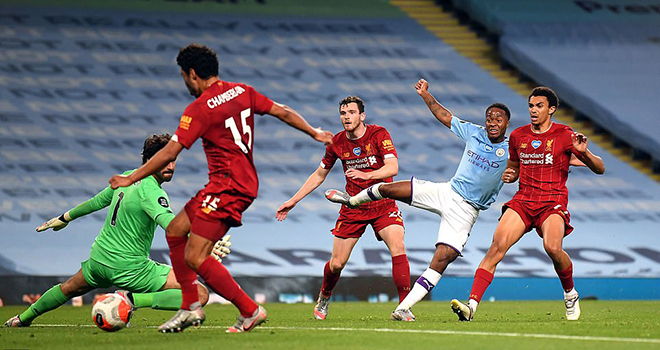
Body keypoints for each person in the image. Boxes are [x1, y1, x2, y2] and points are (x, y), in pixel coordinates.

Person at [109, 44, 333, 333]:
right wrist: (314, 132)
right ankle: (190, 306)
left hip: (229, 187)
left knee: (195, 256)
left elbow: (169, 152)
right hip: (231, 182)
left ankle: (249, 311)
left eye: (183, 77)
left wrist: (131, 178)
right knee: (175, 229)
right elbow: (283, 111)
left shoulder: (199, 108)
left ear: (192, 74)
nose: (185, 84)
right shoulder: (243, 91)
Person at [325, 79, 511, 321]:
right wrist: (426, 95)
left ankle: (403, 307)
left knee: (443, 258)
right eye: (489, 118)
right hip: (448, 192)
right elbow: (445, 116)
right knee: (391, 188)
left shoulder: (512, 147)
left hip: (467, 210)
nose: (492, 123)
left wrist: (513, 174)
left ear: (507, 123)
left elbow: (518, 168)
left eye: (498, 119)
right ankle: (352, 201)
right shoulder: (475, 132)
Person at [4, 134, 229, 328]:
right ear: (151, 160)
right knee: (200, 294)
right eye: (165, 160)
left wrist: (65, 218)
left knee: (68, 288)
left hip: (99, 261)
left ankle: (22, 319)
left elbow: (96, 202)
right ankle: (129, 299)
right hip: (130, 268)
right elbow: (170, 224)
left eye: (173, 160)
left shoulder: (128, 176)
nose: (171, 166)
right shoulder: (150, 189)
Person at [451, 86, 605, 322]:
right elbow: (514, 166)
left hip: (552, 201)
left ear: (551, 109)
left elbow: (600, 168)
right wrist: (511, 175)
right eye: (531, 106)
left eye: (539, 106)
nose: (534, 110)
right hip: (524, 200)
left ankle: (570, 294)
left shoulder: (565, 135)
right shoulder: (518, 136)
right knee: (496, 248)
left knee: (552, 248)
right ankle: (471, 306)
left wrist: (585, 154)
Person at [276, 95, 410, 320]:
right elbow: (319, 175)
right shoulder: (336, 142)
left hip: (382, 202)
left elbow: (393, 167)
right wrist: (294, 200)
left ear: (362, 115)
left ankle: (404, 307)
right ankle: (325, 296)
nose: (346, 117)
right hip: (353, 205)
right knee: (337, 264)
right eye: (343, 113)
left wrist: (368, 175)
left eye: (351, 113)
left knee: (398, 246)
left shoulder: (379, 134)